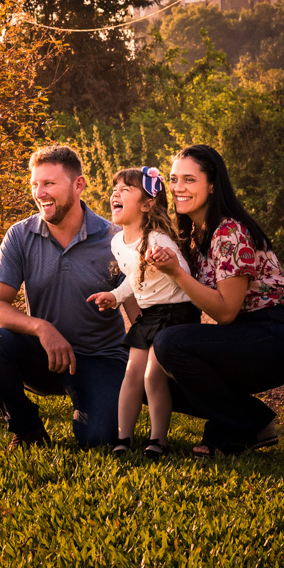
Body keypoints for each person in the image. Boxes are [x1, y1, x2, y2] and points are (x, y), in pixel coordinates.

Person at [146, 144, 284, 457]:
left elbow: (227, 312)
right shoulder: (194, 235)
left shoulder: (229, 231)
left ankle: (238, 427)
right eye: (174, 180)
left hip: (271, 337)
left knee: (169, 345)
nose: (178, 188)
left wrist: (177, 272)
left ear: (213, 185)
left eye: (189, 180)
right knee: (144, 373)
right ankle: (252, 421)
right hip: (240, 336)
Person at [0, 145, 132, 450]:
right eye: (34, 184)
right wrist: (42, 328)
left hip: (101, 359)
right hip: (44, 357)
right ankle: (27, 428)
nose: (39, 192)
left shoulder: (115, 239)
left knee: (97, 441)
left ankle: (89, 407)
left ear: (78, 185)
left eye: (49, 184)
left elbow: (138, 312)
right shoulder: (20, 235)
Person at [86, 167, 200, 459]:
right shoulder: (117, 243)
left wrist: (168, 262)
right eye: (115, 189)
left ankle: (158, 439)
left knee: (152, 376)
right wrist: (114, 295)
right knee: (131, 374)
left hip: (176, 313)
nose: (116, 194)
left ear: (147, 204)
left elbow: (185, 277)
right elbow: (132, 279)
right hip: (148, 316)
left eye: (126, 190)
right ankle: (123, 437)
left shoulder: (158, 240)